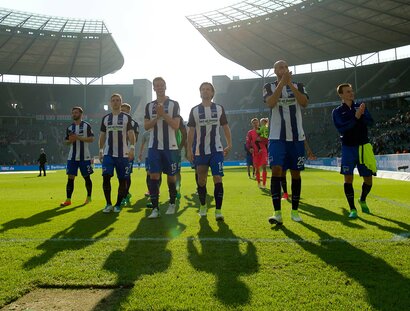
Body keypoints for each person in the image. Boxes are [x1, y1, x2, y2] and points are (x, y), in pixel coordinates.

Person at [264, 60, 308, 225]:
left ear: (288, 70)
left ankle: (295, 211)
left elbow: (304, 103)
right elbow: (270, 102)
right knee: (276, 171)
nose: (283, 69)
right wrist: (282, 85)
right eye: (280, 67)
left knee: (296, 173)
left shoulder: (299, 85)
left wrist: (291, 85)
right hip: (276, 137)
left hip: (296, 138)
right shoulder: (268, 87)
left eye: (285, 67)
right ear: (275, 71)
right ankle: (277, 213)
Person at [187, 82, 232, 221]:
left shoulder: (219, 108)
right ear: (200, 92)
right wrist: (189, 149)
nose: (205, 91)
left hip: (216, 150)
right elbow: (191, 132)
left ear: (212, 93)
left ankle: (218, 211)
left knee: (218, 178)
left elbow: (225, 127)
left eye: (208, 89)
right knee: (201, 180)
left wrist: (229, 143)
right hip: (200, 151)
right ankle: (203, 206)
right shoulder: (194, 110)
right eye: (203, 89)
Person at [332, 83, 376, 219]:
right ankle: (352, 208)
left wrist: (362, 115)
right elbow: (342, 128)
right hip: (348, 148)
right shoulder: (337, 111)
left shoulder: (361, 107)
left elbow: (371, 122)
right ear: (341, 95)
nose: (351, 93)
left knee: (368, 180)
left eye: (351, 91)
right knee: (348, 178)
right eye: (347, 91)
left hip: (364, 147)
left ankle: (362, 199)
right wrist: (356, 117)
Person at [144, 77, 180, 218]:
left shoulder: (174, 104)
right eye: (156, 85)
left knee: (171, 177)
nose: (159, 87)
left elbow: (176, 125)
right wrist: (157, 118)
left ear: (165, 86)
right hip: (154, 146)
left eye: (161, 85)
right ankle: (155, 208)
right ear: (154, 88)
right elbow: (146, 126)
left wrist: (163, 114)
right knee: (154, 175)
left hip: (170, 147)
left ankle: (171, 203)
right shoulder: (149, 106)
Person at [99, 93, 136, 213]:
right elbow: (102, 136)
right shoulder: (106, 118)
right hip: (108, 154)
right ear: (110, 103)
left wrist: (132, 148)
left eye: (117, 100)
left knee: (123, 180)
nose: (115, 102)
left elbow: (131, 134)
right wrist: (100, 150)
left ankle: (118, 204)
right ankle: (108, 204)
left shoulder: (126, 117)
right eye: (113, 100)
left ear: (121, 102)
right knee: (106, 177)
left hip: (123, 154)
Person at [60, 107, 94, 206]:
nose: (74, 114)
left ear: (81, 114)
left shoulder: (87, 126)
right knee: (70, 178)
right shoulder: (70, 128)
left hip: (85, 157)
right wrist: (69, 141)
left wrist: (78, 137)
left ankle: (89, 197)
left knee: (86, 177)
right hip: (72, 157)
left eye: (76, 112)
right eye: (73, 113)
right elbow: (66, 142)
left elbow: (91, 139)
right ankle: (68, 199)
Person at [120, 103, 139, 207]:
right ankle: (125, 194)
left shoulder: (133, 123)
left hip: (128, 153)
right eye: (121, 110)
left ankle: (124, 195)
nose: (123, 112)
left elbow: (135, 139)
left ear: (129, 111)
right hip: (117, 153)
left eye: (125, 111)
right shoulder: (116, 121)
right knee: (121, 175)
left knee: (127, 175)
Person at [246, 118, 268, 188]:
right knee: (257, 168)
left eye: (256, 122)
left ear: (258, 123)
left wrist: (262, 139)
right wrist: (250, 148)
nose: (255, 124)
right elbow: (248, 142)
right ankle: (259, 183)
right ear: (252, 124)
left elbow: (267, 140)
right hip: (255, 152)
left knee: (264, 167)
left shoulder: (263, 130)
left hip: (263, 151)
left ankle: (264, 184)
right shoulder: (250, 132)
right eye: (254, 123)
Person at [175, 115, 187, 199]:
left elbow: (184, 135)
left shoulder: (178, 118)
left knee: (176, 172)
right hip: (161, 149)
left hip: (175, 150)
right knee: (158, 172)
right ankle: (155, 195)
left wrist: (181, 148)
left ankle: (177, 190)